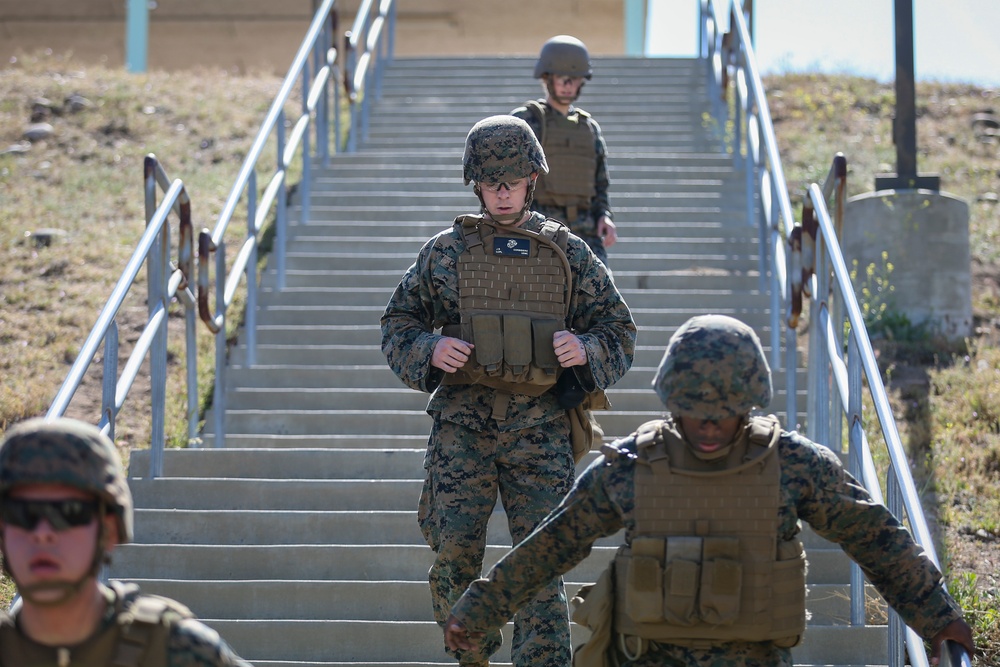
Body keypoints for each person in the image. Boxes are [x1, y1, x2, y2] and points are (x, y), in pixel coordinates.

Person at [442, 314, 976, 667]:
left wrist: (937, 617)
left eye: (724, 415)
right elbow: (550, 545)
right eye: (695, 414)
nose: (709, 427)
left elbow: (875, 536)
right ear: (672, 402)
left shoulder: (792, 464)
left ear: (750, 402)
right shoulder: (631, 465)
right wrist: (480, 609)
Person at [380, 114, 636, 667]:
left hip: (539, 428)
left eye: (512, 181)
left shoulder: (569, 254)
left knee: (540, 563)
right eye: (491, 181)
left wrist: (586, 350)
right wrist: (428, 350)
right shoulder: (445, 253)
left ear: (531, 181)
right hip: (462, 427)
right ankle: (471, 656)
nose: (501, 191)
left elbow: (619, 329)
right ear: (476, 183)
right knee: (453, 556)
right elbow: (397, 321)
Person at [0, 417, 253, 667]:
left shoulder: (179, 651)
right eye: (20, 514)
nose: (42, 533)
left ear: (108, 530)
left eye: (70, 512)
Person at [512, 35, 618, 266]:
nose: (568, 85)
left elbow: (600, 182)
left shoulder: (589, 129)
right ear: (547, 78)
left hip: (585, 232)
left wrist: (604, 216)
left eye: (575, 79)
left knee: (602, 299)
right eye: (562, 78)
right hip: (537, 229)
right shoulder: (525, 121)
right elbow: (499, 174)